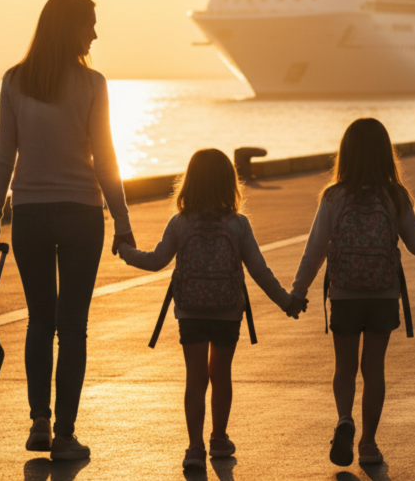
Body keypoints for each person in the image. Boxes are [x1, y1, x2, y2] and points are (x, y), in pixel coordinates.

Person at [0, 0, 136, 461]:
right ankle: (65, 435)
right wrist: (123, 223)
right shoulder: (92, 84)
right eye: (88, 23)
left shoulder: (14, 81)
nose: (94, 33)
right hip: (81, 214)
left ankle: (39, 424)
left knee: (40, 322)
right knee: (73, 327)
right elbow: (105, 158)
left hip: (28, 215)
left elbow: (3, 156)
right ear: (69, 27)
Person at [117, 148, 307, 470]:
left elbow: (155, 261)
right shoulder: (238, 224)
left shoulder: (180, 223)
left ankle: (194, 449)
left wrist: (125, 251)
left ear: (189, 182)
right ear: (228, 183)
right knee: (221, 375)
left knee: (195, 379)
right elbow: (259, 271)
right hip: (227, 311)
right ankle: (219, 439)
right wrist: (286, 302)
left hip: (190, 310)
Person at [290, 118, 415, 467]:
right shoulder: (394, 195)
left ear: (346, 153)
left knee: (345, 366)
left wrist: (298, 291)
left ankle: (344, 420)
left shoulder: (333, 196)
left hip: (344, 295)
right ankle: (368, 444)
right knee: (374, 368)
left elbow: (315, 249)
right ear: (386, 154)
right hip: (383, 295)